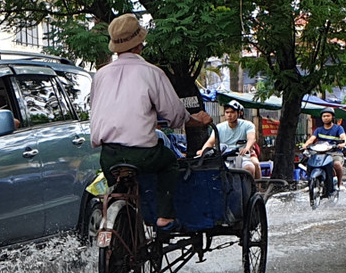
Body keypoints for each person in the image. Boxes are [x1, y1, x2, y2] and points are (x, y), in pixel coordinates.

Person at [90, 13, 213, 231]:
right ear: (140, 44)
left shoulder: (100, 75)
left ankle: (117, 219)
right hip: (143, 155)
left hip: (108, 156)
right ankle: (164, 216)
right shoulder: (152, 72)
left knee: (118, 186)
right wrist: (196, 120)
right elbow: (175, 115)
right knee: (168, 162)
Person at [196, 100, 261, 179]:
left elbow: (252, 138)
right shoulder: (219, 127)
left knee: (253, 166)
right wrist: (203, 151)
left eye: (232, 112)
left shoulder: (247, 125)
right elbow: (210, 142)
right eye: (227, 112)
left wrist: (247, 148)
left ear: (239, 113)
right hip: (225, 156)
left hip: (243, 155)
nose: (229, 115)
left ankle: (257, 188)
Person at [302, 108, 346, 187]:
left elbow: (343, 138)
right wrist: (305, 145)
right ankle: (310, 183)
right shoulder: (318, 130)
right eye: (324, 116)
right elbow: (312, 139)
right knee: (309, 163)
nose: (326, 118)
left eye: (328, 116)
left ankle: (340, 183)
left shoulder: (338, 128)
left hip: (334, 152)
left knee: (337, 164)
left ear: (332, 117)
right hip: (320, 152)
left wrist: (342, 143)